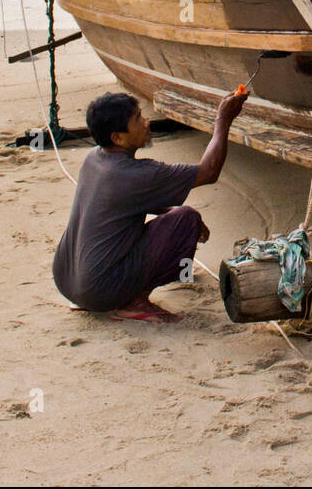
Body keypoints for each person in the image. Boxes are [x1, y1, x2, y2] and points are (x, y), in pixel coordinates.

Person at [52, 90, 246, 323]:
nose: (146, 123)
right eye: (137, 120)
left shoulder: (94, 158)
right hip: (99, 290)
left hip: (66, 280)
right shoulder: (137, 174)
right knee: (187, 219)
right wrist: (223, 120)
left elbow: (131, 200)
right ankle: (135, 302)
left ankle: (109, 294)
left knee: (179, 217)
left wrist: (170, 213)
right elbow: (209, 171)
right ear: (118, 138)